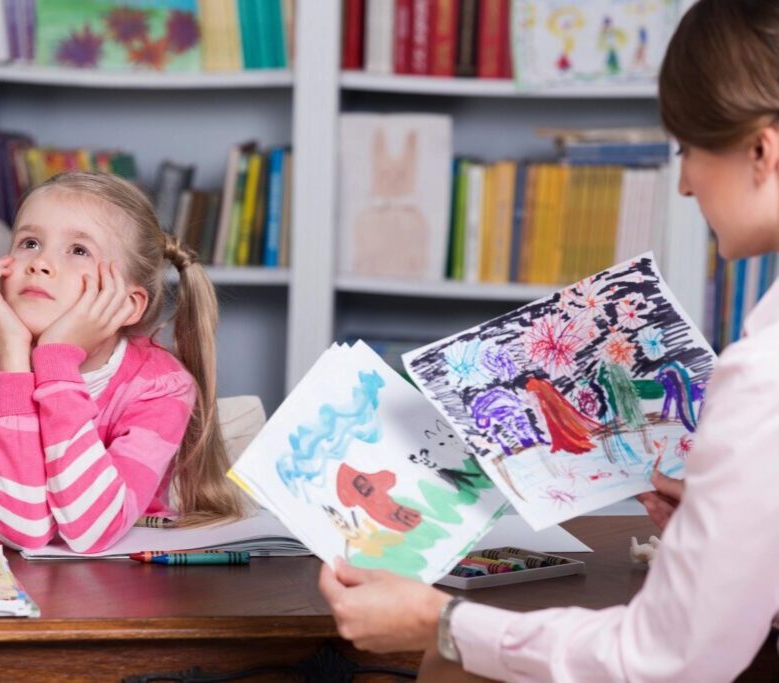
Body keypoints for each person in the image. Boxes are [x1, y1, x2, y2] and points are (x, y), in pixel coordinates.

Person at [319, 1, 779, 679]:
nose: (682, 183)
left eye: (686, 150)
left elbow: (661, 662)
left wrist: (440, 621)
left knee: (452, 666)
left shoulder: (764, 373)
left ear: (762, 150)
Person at [0, 171, 242, 552]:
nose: (40, 263)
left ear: (127, 304)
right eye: (29, 242)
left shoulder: (160, 387)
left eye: (78, 250)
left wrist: (56, 361)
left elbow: (92, 531)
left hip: (126, 589)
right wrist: (14, 359)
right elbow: (21, 530)